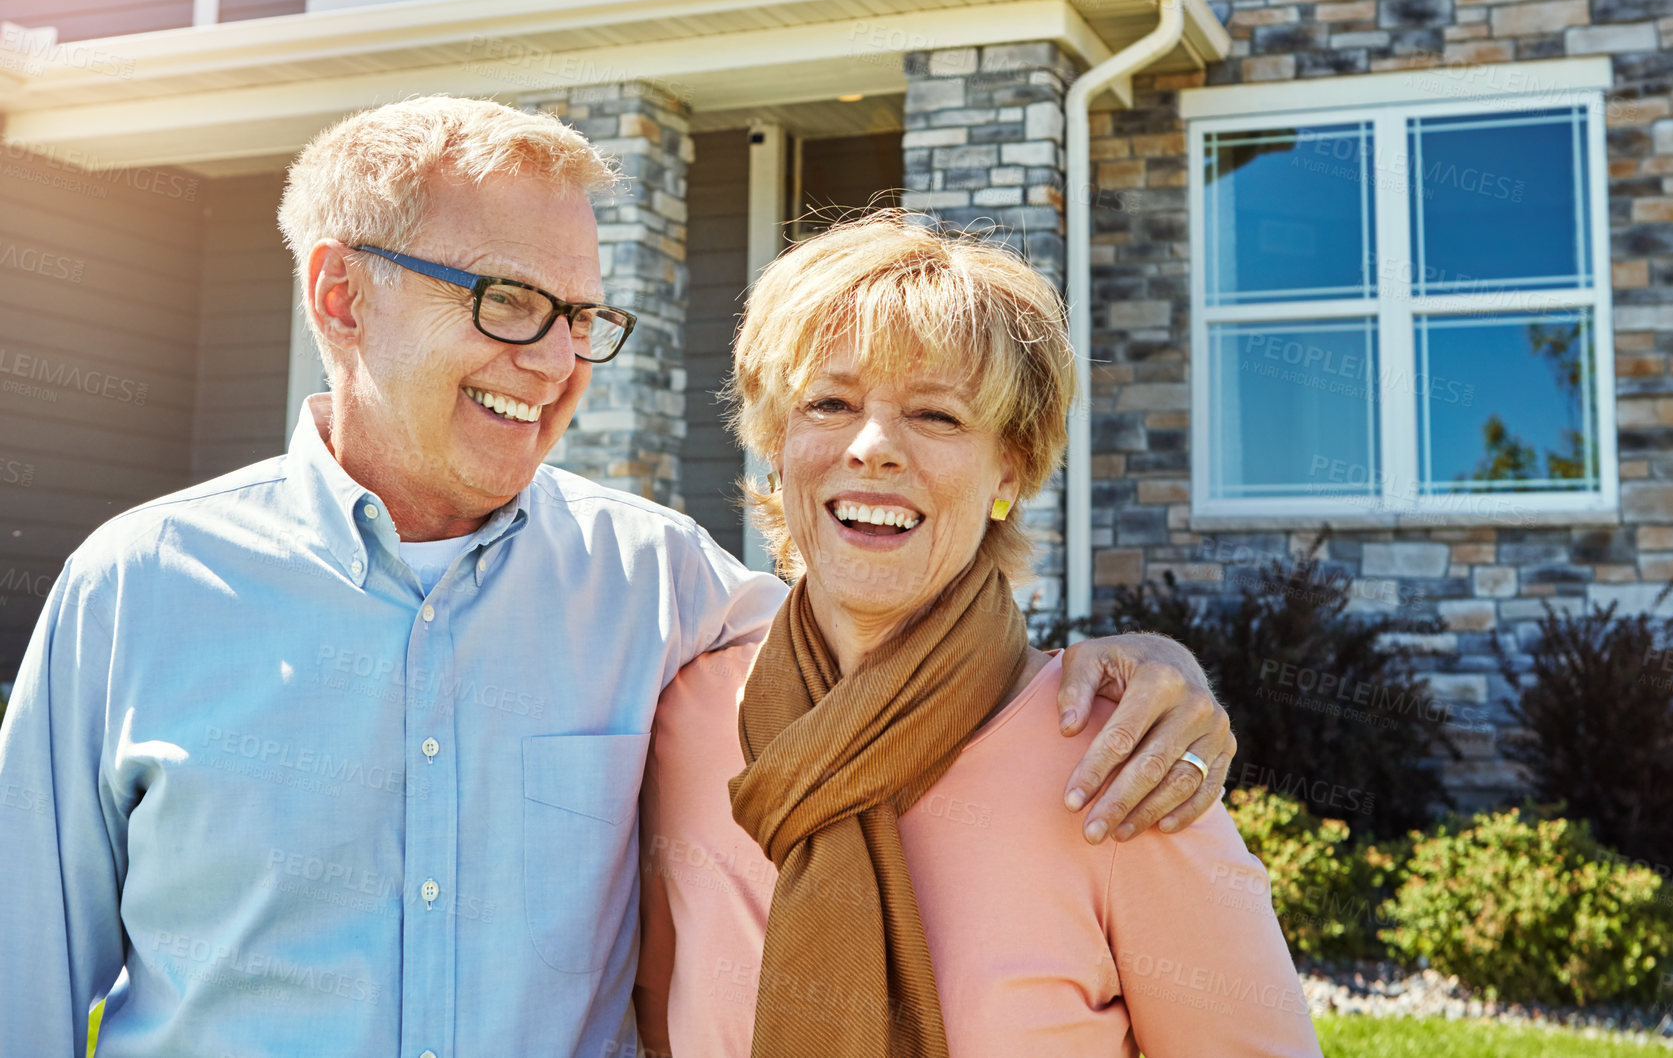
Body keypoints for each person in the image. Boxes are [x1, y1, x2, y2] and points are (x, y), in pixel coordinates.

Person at [0, 96, 1236, 1057]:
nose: (554, 360)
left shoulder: (660, 593)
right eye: (507, 302)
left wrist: (1153, 666)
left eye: (582, 316)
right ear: (341, 296)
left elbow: (893, 624)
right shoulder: (139, 589)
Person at [636, 210, 1321, 1058]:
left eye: (937, 416)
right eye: (829, 403)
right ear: (776, 443)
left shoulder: (1121, 760)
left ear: (1010, 469)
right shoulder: (687, 721)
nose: (874, 447)